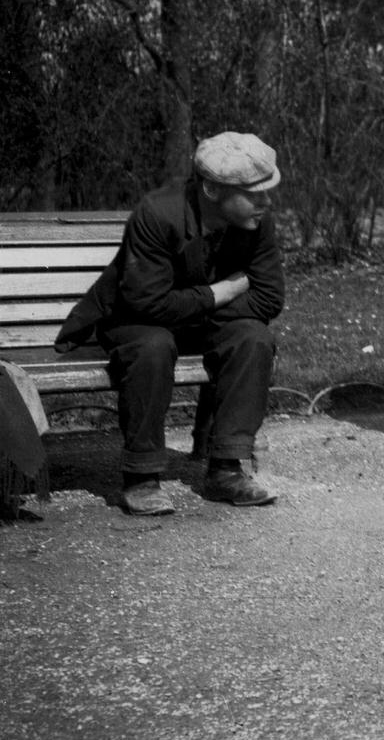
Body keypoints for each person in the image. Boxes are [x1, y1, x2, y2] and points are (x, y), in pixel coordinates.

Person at [54, 132, 286, 515]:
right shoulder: (158, 212)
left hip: (184, 318)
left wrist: (190, 305)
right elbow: (145, 301)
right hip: (135, 318)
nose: (267, 200)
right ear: (212, 189)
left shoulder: (257, 220)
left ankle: (227, 468)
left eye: (268, 189)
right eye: (255, 191)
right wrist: (221, 293)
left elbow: (268, 298)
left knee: (253, 338)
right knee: (152, 348)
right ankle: (141, 475)